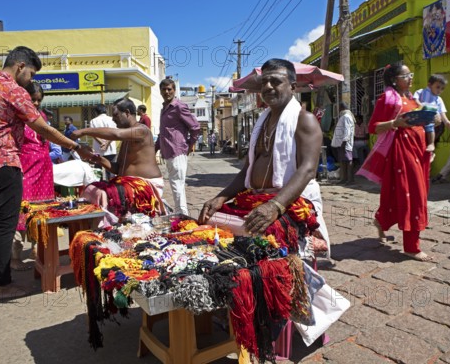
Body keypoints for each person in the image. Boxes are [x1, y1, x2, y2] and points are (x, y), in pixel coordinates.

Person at [0, 46, 94, 299]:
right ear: (20, 66)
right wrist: (76, 146)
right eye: (32, 74)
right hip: (2, 163)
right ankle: (1, 285)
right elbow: (42, 128)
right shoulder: (13, 90)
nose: (32, 80)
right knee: (4, 225)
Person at [199, 58, 331, 258]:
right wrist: (222, 197)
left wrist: (275, 206)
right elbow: (248, 169)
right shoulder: (262, 122)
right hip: (258, 198)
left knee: (269, 247)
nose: (268, 87)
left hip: (290, 199)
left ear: (293, 87)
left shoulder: (305, 120)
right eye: (264, 83)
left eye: (275, 81)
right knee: (211, 221)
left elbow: (307, 170)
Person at [357, 63, 434, 262]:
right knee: (413, 194)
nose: (410, 78)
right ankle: (411, 247)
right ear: (394, 80)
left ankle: (381, 219)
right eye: (405, 75)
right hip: (402, 150)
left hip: (420, 150)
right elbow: (373, 127)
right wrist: (394, 123)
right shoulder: (388, 99)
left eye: (411, 74)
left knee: (401, 191)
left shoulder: (413, 98)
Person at [72, 98, 164, 220]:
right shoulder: (128, 137)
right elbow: (118, 169)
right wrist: (97, 159)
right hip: (127, 183)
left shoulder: (142, 130)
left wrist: (84, 131)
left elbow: (116, 134)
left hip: (145, 184)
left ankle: (109, 227)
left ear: (127, 113)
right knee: (91, 189)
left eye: (115, 115)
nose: (113, 119)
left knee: (104, 195)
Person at [12, 82, 55, 271]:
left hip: (44, 170)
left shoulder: (41, 116)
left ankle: (36, 249)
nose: (36, 103)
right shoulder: (16, 118)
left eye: (39, 100)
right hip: (25, 169)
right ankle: (14, 257)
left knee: (40, 210)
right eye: (33, 99)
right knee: (22, 211)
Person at [155, 78, 200, 215]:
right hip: (168, 151)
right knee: (176, 184)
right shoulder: (165, 108)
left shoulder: (179, 107)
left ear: (174, 90)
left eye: (169, 89)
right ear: (160, 91)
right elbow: (163, 132)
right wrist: (155, 148)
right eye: (164, 89)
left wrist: (189, 144)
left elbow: (195, 127)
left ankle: (182, 215)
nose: (167, 92)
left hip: (177, 151)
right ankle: (181, 213)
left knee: (177, 184)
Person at [413, 74, 450, 158]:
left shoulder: (438, 99)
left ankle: (431, 145)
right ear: (429, 85)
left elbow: (442, 112)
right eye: (438, 87)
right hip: (419, 116)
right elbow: (415, 98)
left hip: (429, 119)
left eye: (442, 88)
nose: (440, 90)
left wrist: (446, 121)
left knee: (430, 127)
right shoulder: (422, 92)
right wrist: (420, 105)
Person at [90, 104, 117, 180]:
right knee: (110, 169)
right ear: (106, 110)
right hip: (111, 149)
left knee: (98, 171)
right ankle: (111, 187)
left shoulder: (93, 121)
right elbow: (114, 133)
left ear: (96, 112)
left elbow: (93, 134)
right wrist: (106, 143)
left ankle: (100, 187)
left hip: (98, 149)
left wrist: (101, 143)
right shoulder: (112, 119)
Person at [331, 101, 355, 184]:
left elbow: (347, 130)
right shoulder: (343, 116)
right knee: (342, 161)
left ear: (342, 107)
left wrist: (344, 142)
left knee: (348, 161)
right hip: (341, 143)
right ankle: (344, 178)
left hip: (345, 143)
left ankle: (350, 179)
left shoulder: (346, 117)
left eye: (339, 107)